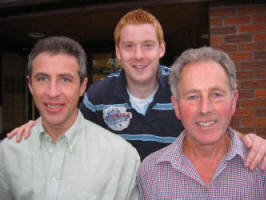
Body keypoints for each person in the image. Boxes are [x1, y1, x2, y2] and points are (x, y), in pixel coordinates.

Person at [7, 9, 266, 167]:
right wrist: (38, 125)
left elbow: (210, 121)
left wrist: (249, 141)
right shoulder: (98, 96)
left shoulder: (181, 85)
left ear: (162, 48)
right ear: (118, 51)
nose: (138, 55)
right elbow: (69, 127)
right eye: (129, 46)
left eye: (148, 45)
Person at [0, 36, 140, 200]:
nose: (53, 92)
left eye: (65, 79)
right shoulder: (7, 153)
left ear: (82, 86)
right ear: (30, 86)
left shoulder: (121, 157)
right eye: (42, 79)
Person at [137, 47, 266, 199]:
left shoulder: (261, 167)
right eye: (192, 97)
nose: (205, 109)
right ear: (176, 106)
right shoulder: (150, 172)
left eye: (216, 94)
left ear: (233, 101)